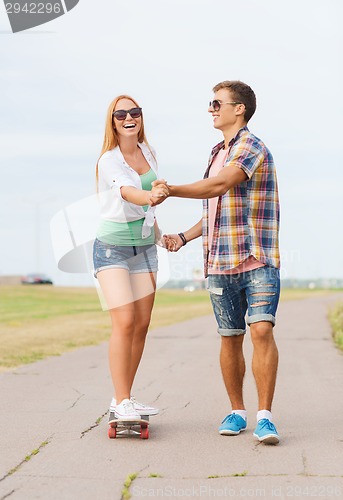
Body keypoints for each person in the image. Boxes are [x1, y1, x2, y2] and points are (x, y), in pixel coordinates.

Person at [154, 81, 281, 444]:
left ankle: (265, 417)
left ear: (239, 109)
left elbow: (218, 186)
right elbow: (212, 208)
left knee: (261, 330)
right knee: (230, 337)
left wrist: (171, 189)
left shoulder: (250, 146)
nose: (211, 109)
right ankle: (237, 411)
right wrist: (183, 237)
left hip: (256, 257)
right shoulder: (215, 152)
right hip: (219, 261)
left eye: (217, 103)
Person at [93, 95, 168, 423]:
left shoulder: (148, 151)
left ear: (140, 117)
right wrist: (151, 195)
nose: (128, 118)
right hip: (112, 247)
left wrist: (158, 230)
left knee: (141, 325)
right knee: (123, 322)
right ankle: (122, 399)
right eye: (120, 114)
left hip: (145, 248)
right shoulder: (108, 160)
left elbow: (146, 205)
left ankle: (123, 398)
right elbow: (128, 192)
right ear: (113, 121)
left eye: (134, 112)